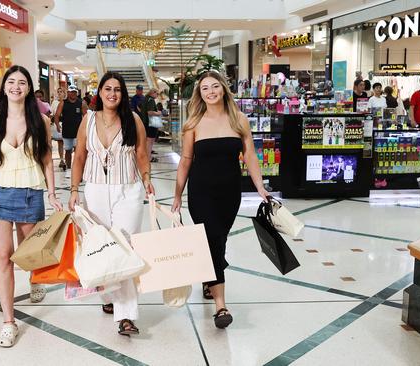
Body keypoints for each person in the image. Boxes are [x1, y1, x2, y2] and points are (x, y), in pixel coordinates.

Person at [0, 65, 63, 348]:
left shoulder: (41, 121)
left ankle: (35, 279)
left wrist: (52, 192)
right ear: (4, 86)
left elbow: (46, 159)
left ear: (29, 88)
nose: (16, 87)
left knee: (28, 251)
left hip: (31, 192)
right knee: (4, 256)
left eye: (22, 83)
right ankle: (9, 321)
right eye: (11, 82)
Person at [171, 71, 269, 329]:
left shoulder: (239, 119)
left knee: (218, 240)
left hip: (229, 193)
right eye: (205, 88)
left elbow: (250, 157)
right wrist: (177, 195)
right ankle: (221, 306)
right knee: (213, 240)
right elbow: (186, 160)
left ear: (224, 89)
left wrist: (261, 188)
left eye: (215, 86)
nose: (211, 91)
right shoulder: (194, 122)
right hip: (201, 192)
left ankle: (208, 277)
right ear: (199, 93)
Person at [68, 71, 155, 336]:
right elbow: (80, 155)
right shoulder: (89, 120)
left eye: (117, 90)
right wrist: (73, 189)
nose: (112, 94)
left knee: (125, 246)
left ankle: (126, 315)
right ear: (100, 92)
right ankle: (108, 296)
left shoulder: (133, 119)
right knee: (100, 245)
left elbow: (141, 153)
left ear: (123, 94)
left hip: (127, 189)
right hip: (95, 189)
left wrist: (147, 179)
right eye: (108, 89)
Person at [54, 85, 88, 177]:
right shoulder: (63, 103)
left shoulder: (82, 103)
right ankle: (69, 167)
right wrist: (57, 125)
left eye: (74, 92)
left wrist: (86, 128)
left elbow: (86, 116)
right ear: (68, 93)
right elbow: (57, 115)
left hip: (78, 132)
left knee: (78, 150)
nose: (73, 94)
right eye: (71, 92)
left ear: (77, 93)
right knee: (68, 150)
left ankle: (78, 167)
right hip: (67, 130)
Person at [141, 88, 162, 162]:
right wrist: (158, 113)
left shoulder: (145, 99)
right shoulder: (151, 100)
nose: (157, 95)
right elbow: (149, 112)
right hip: (150, 123)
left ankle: (147, 156)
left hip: (145, 122)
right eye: (157, 94)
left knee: (148, 141)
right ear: (153, 93)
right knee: (149, 141)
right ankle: (148, 157)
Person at [51, 87, 67, 170]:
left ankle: (68, 159)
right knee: (60, 142)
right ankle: (61, 159)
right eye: (58, 92)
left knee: (68, 142)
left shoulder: (67, 101)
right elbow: (53, 113)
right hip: (58, 123)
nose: (60, 93)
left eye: (61, 91)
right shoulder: (54, 102)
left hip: (67, 124)